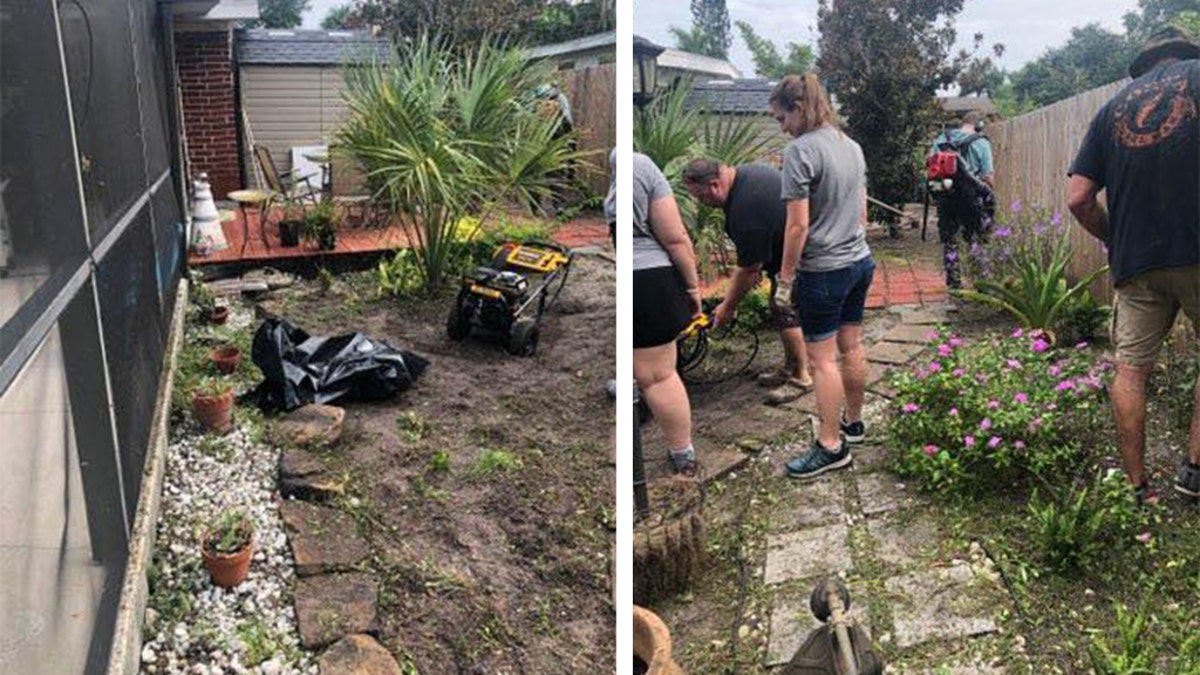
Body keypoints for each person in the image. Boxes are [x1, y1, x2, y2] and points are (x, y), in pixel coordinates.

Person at [1066, 25, 1200, 505]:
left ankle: (1137, 487)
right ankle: (1194, 473)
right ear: (1185, 52)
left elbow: (1078, 198)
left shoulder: (1111, 110)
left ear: (1145, 63)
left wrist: (1116, 237)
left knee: (1131, 369)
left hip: (1136, 261)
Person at [769, 72, 875, 480]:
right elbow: (862, 212)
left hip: (825, 271)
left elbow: (797, 227)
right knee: (852, 345)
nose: (782, 127)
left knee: (822, 361)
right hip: (859, 262)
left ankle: (831, 445)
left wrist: (785, 279)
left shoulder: (800, 151)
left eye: (781, 118)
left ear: (798, 108)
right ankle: (854, 422)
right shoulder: (852, 147)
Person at [681, 158, 814, 405]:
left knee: (785, 309)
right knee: (778, 306)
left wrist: (728, 307)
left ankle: (801, 377)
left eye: (701, 198)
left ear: (714, 185)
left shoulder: (745, 208)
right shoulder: (746, 174)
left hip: (804, 256)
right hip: (788, 252)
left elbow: (747, 269)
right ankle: (789, 367)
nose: (703, 204)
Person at [632, 152, 703, 475]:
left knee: (646, 363)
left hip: (633, 275)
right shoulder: (641, 165)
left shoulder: (617, 165)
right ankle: (682, 454)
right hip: (651, 278)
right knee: (659, 374)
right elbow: (675, 237)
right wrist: (692, 288)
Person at [929, 111, 995, 289]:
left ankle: (954, 282)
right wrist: (990, 194)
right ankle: (980, 282)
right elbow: (987, 175)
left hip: (945, 196)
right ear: (978, 125)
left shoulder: (943, 138)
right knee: (976, 238)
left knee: (950, 239)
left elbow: (930, 165)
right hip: (970, 198)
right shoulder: (981, 142)